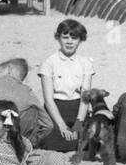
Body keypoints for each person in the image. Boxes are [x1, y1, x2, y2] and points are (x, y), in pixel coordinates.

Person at [36, 20, 95, 152]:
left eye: (74, 38)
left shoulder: (85, 63)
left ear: (80, 40)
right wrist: (62, 126)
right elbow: (48, 99)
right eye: (65, 37)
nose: (69, 42)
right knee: (53, 142)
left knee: (86, 142)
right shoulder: (49, 63)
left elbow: (85, 98)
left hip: (78, 109)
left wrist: (78, 125)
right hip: (56, 109)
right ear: (58, 38)